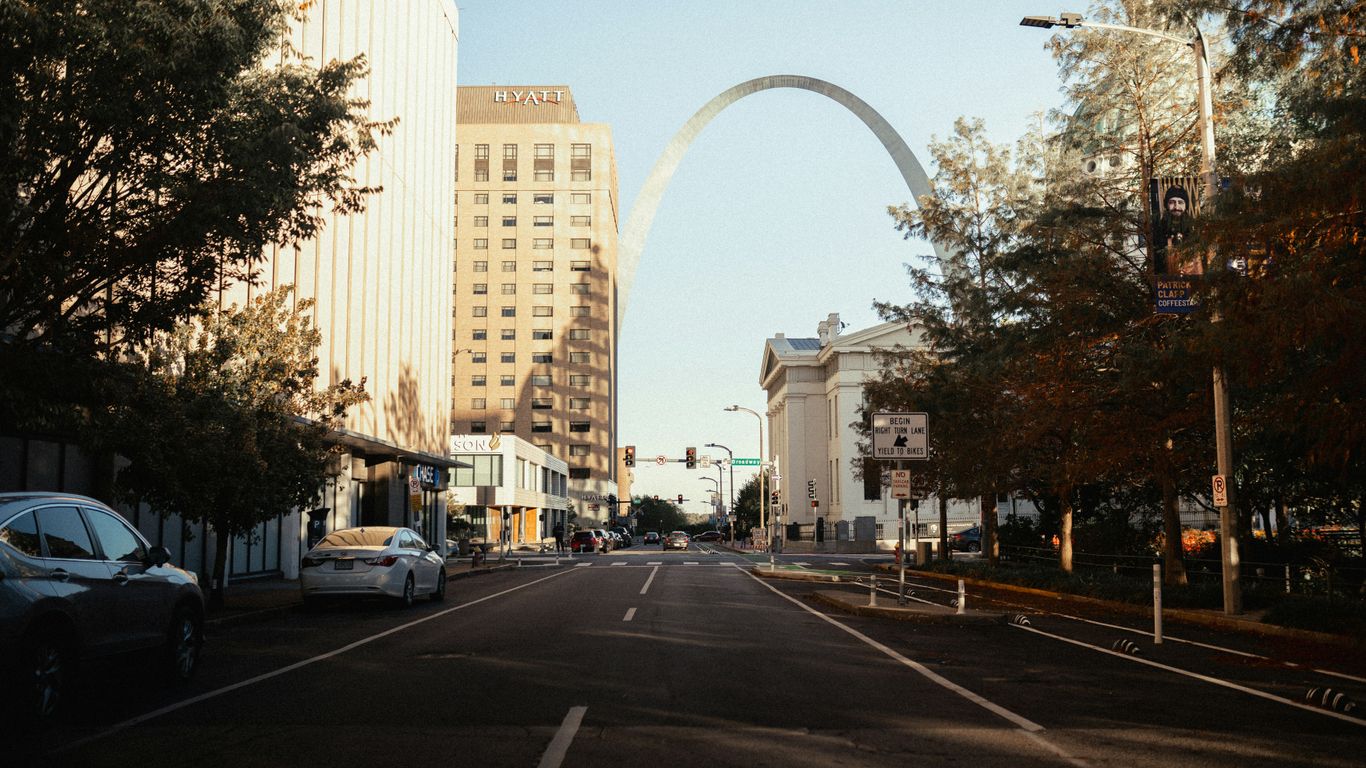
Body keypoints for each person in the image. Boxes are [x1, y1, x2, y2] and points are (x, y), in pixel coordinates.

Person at [1155, 184, 1201, 276]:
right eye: (1172, 202)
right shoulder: (1159, 227)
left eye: (1180, 202)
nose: (1176, 207)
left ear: (1186, 205)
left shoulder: (1193, 226)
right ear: (1167, 205)